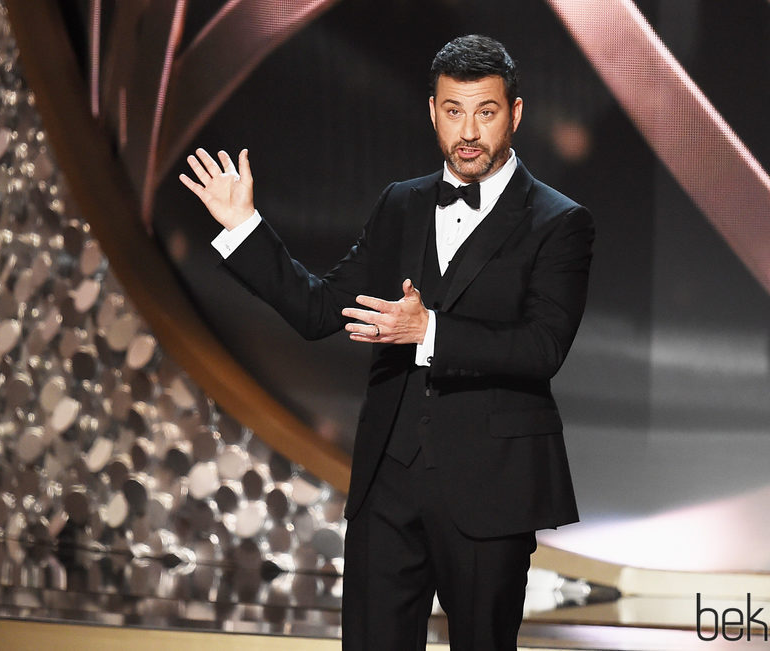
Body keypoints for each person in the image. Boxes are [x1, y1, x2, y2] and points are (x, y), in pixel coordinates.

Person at [180, 34, 594, 651]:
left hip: (490, 490)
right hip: (388, 488)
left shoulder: (558, 221)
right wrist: (245, 229)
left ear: (516, 113)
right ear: (432, 111)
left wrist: (427, 331)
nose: (469, 130)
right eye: (454, 111)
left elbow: (542, 347)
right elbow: (321, 308)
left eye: (486, 110)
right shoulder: (400, 204)